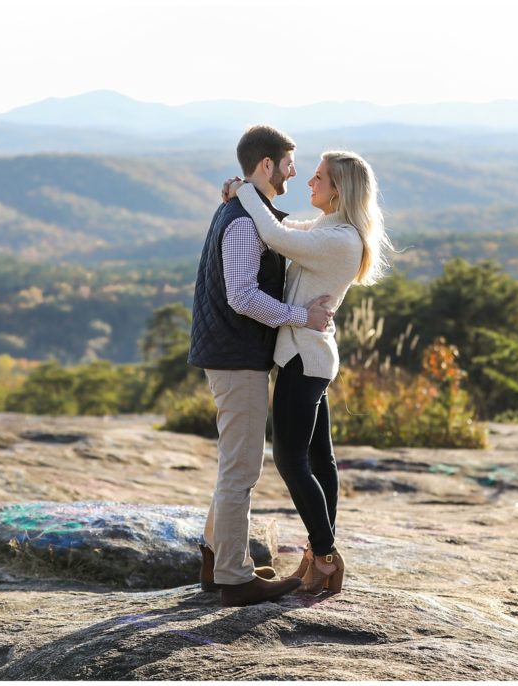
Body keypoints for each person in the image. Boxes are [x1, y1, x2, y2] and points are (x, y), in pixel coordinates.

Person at [223, 150, 392, 594]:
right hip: (311, 356)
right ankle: (322, 555)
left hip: (304, 359)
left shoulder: (340, 239)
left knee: (289, 459)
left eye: (318, 178)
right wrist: (246, 198)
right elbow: (284, 226)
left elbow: (275, 235)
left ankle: (325, 555)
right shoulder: (329, 228)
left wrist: (243, 191)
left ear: (340, 189)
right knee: (320, 461)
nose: (309, 184)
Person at [188, 125, 335, 607]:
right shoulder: (244, 221)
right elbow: (243, 296)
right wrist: (304, 317)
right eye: (289, 163)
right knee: (242, 469)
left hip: (235, 353)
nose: (295, 171)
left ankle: (216, 561)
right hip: (236, 357)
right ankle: (234, 577)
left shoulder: (249, 210)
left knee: (235, 463)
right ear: (266, 165)